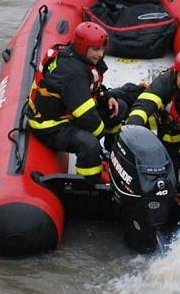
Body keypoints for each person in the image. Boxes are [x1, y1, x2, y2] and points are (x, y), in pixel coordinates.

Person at [27, 21, 131, 184]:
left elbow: (90, 87)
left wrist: (106, 96)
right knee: (88, 144)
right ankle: (91, 181)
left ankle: (113, 151)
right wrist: (100, 137)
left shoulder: (76, 57)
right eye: (96, 49)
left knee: (118, 108)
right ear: (83, 47)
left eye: (102, 49)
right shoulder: (72, 73)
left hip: (67, 111)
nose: (100, 54)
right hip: (50, 126)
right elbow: (86, 115)